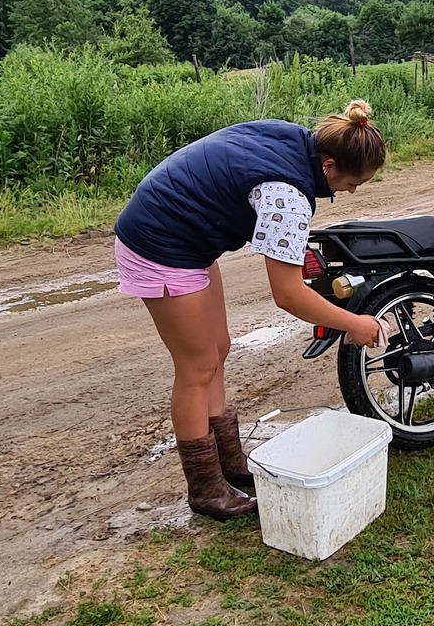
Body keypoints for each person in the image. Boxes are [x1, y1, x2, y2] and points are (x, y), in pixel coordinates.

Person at [114, 101, 387, 520]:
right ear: (329, 165)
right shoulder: (288, 195)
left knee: (217, 350)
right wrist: (354, 322)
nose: (350, 192)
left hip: (189, 236)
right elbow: (288, 294)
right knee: (197, 366)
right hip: (159, 244)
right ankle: (205, 489)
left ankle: (230, 463)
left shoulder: (295, 139)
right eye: (353, 183)